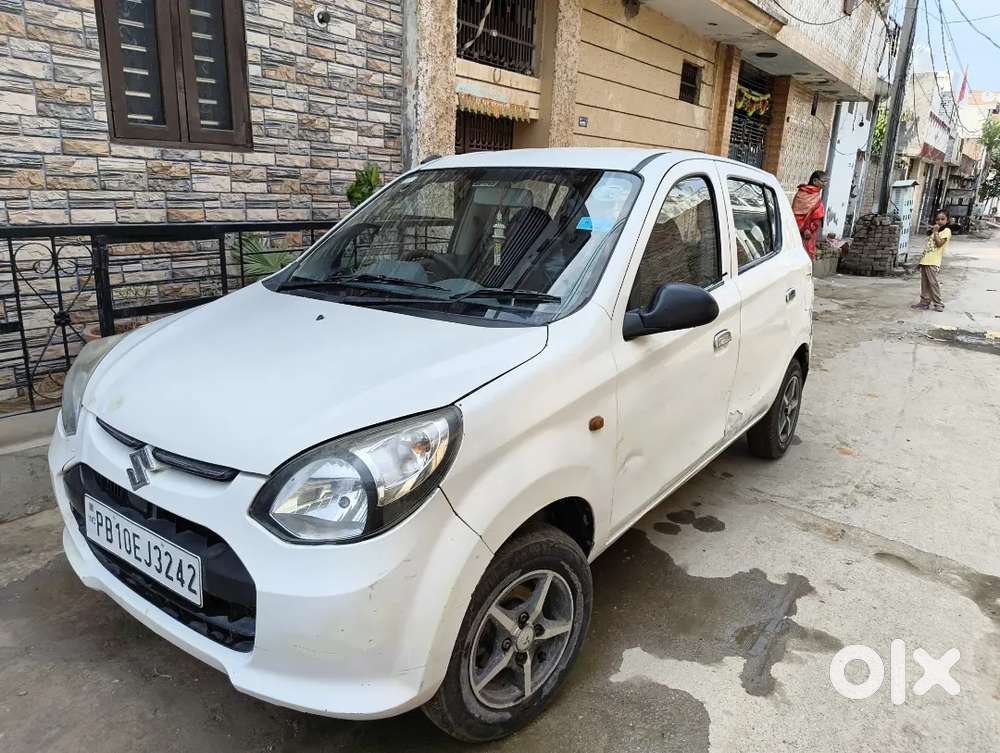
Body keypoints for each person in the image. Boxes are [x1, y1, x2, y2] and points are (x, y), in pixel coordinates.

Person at [913, 210, 951, 312]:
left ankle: (938, 304)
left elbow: (939, 244)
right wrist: (920, 262)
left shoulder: (946, 231)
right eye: (937, 219)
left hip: (933, 261)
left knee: (933, 283)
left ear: (947, 221)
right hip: (926, 260)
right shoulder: (934, 233)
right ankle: (924, 302)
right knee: (924, 283)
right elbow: (928, 248)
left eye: (942, 219)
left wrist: (935, 232)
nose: (939, 221)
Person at [792, 170, 829, 260]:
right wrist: (807, 228)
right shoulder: (802, 193)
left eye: (826, 181)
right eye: (823, 181)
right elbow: (795, 212)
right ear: (815, 181)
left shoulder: (815, 194)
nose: (825, 183)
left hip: (808, 231)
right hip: (801, 230)